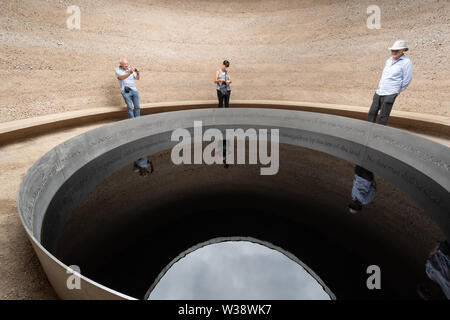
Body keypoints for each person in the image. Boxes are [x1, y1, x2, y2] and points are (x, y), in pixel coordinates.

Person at [367, 40, 413, 125]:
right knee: (371, 113)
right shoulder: (388, 60)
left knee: (383, 116)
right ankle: (366, 133)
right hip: (380, 91)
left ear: (402, 50)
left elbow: (407, 79)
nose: (394, 52)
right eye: (392, 50)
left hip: (391, 92)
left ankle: (379, 136)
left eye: (397, 50)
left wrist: (397, 90)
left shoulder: (406, 62)